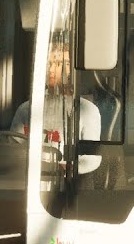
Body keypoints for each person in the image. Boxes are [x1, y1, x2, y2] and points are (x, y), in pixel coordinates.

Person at [9, 42, 102, 174]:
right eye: (49, 64)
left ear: (70, 69)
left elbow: (92, 159)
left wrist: (62, 170)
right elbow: (13, 150)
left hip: (67, 185)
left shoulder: (87, 110)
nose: (51, 70)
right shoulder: (26, 109)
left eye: (57, 64)